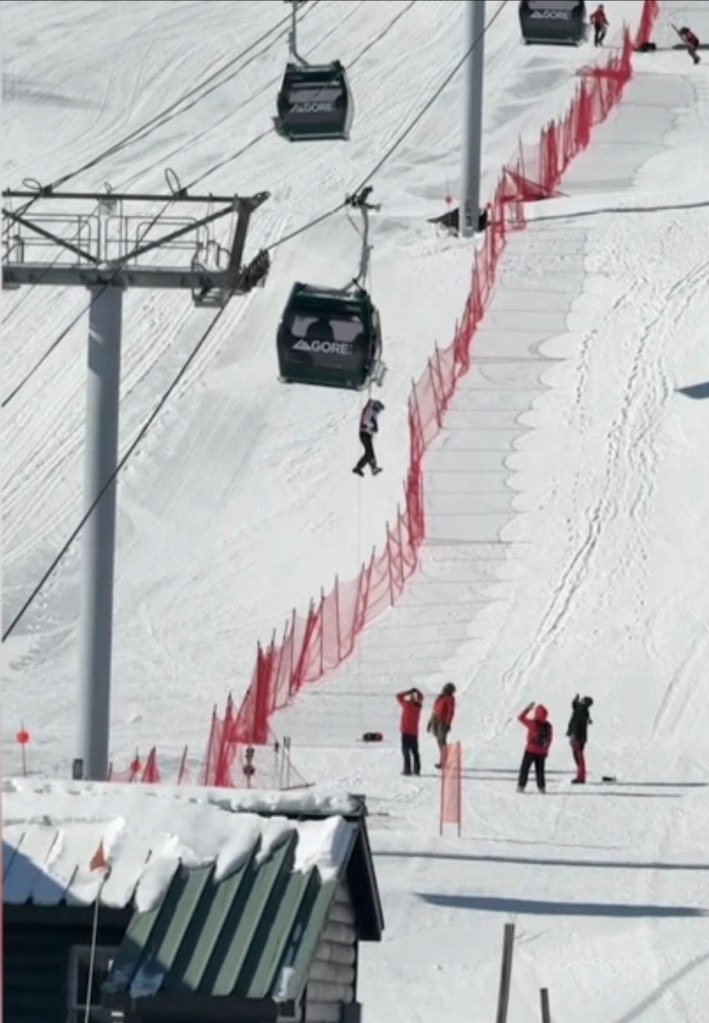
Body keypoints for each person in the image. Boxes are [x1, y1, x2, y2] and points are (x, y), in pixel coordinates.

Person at [517, 702, 553, 793]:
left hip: (530, 750)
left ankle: (521, 786)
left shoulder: (532, 723)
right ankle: (541, 787)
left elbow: (520, 718)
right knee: (540, 771)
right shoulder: (548, 726)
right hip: (541, 752)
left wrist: (528, 709)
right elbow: (549, 740)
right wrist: (546, 750)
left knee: (525, 769)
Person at [427, 683, 456, 768]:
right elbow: (435, 710)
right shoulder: (440, 697)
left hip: (442, 723)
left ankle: (444, 762)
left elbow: (451, 712)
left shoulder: (450, 699)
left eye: (446, 688)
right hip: (436, 721)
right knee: (439, 742)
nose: (444, 689)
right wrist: (430, 721)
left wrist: (447, 724)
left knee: (442, 742)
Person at [353, 398, 384, 476]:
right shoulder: (370, 410)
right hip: (365, 433)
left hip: (367, 434)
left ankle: (362, 467)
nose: (378, 412)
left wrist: (373, 428)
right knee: (369, 451)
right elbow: (366, 420)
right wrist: (373, 426)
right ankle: (372, 468)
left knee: (368, 452)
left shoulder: (372, 411)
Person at [396, 688, 424, 776]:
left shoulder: (406, 705)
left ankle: (407, 770)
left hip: (405, 732)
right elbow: (421, 697)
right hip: (414, 732)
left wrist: (407, 692)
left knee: (406, 751)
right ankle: (417, 770)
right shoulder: (418, 707)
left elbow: (398, 696)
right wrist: (417, 691)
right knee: (415, 751)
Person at [567, 694, 593, 784]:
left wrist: (573, 735)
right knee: (578, 757)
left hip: (578, 737)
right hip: (580, 737)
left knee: (579, 757)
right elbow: (575, 706)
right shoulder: (582, 710)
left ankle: (581, 777)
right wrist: (575, 700)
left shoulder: (580, 711)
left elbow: (576, 723)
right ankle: (580, 775)